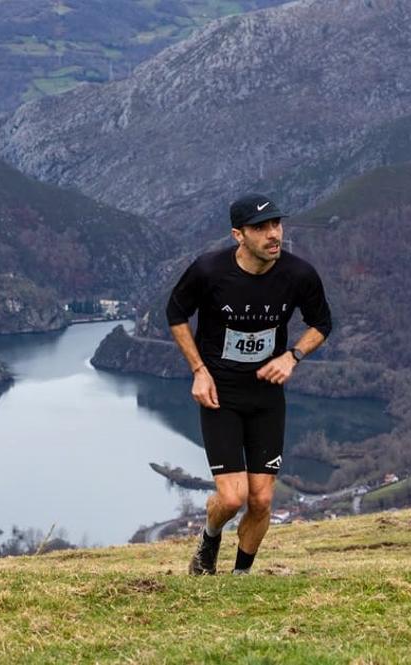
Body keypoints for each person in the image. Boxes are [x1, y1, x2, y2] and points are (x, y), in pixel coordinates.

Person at [166, 193, 332, 575]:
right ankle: (209, 540)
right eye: (261, 228)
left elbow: (322, 322)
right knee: (231, 498)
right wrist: (198, 370)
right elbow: (176, 313)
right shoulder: (209, 271)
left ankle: (241, 577)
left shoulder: (298, 275)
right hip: (220, 395)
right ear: (238, 235)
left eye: (276, 224)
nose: (273, 234)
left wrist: (292, 356)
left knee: (260, 500)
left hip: (266, 398)